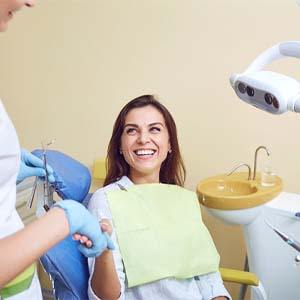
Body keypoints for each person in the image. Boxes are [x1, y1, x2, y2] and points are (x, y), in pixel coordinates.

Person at [0, 1, 113, 298]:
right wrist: (64, 219)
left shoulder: (182, 201)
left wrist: (7, 169)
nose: (30, 2)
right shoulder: (107, 201)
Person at [87, 95, 231, 300]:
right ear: (120, 145)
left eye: (154, 129)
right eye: (132, 130)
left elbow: (210, 281)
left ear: (169, 143)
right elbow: (107, 297)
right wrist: (103, 252)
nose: (143, 139)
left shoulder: (183, 200)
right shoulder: (106, 200)